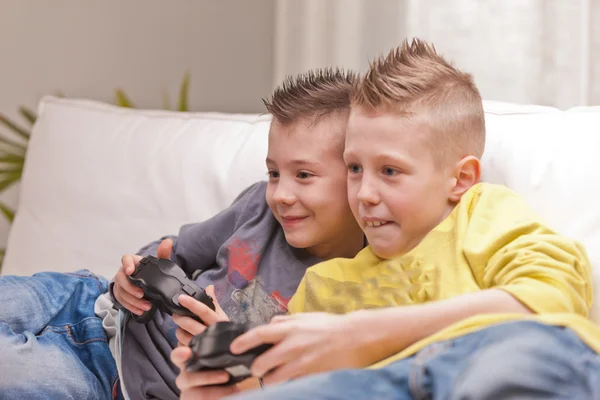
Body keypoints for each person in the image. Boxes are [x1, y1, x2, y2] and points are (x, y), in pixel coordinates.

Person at [172, 38, 600, 400]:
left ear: (460, 178)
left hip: (487, 362)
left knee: (527, 352)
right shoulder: (324, 287)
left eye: (390, 171)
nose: (365, 193)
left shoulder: (481, 213)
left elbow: (550, 302)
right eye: (355, 168)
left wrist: (363, 334)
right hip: (371, 389)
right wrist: (236, 384)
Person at [0, 67, 366, 400]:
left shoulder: (354, 301)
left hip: (110, 380)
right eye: (274, 173)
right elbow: (173, 251)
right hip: (87, 300)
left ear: (356, 174)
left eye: (303, 175)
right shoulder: (259, 205)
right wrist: (133, 273)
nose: (281, 195)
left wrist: (226, 350)